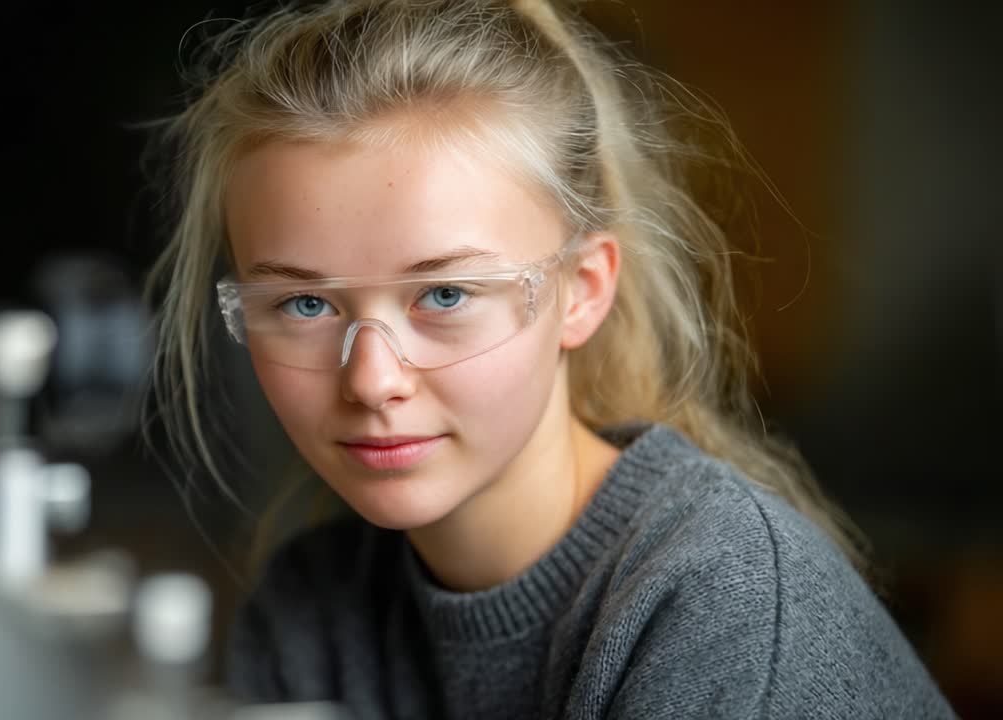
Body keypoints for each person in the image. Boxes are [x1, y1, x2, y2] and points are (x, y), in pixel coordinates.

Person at [144, 0, 956, 717]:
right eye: (306, 305)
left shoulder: (720, 601)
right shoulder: (311, 609)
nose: (372, 381)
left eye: (447, 295)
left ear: (581, 290)